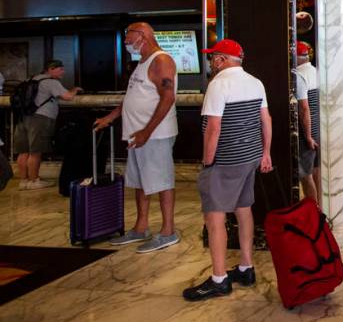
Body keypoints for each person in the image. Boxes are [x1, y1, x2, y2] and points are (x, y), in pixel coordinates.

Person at [183, 38, 273, 301]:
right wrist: (265, 153)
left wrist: (208, 162)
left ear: (222, 60)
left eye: (213, 57)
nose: (211, 62)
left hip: (224, 161)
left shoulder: (218, 84)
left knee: (215, 219)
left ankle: (219, 279)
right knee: (243, 210)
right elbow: (265, 120)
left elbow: (213, 128)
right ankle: (246, 268)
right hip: (250, 159)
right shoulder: (255, 82)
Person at [94, 23, 180, 253]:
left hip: (155, 135)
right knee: (140, 182)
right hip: (137, 135)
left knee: (162, 182)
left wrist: (146, 132)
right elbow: (133, 96)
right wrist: (110, 117)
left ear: (143, 35)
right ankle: (141, 228)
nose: (125, 41)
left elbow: (167, 98)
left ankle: (168, 232)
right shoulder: (142, 62)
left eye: (128, 36)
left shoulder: (161, 60)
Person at [14, 60, 82, 190]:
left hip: (23, 118)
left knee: (23, 151)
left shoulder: (30, 79)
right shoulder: (50, 82)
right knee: (36, 152)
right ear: (51, 69)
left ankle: (24, 181)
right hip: (40, 118)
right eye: (60, 69)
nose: (63, 72)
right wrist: (75, 90)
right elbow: (67, 96)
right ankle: (34, 181)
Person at [294, 41, 321, 206]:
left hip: (308, 132)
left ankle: (313, 212)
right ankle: (319, 207)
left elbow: (304, 108)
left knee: (306, 174)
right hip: (320, 128)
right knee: (316, 170)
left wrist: (308, 136)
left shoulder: (298, 75)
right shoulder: (316, 71)